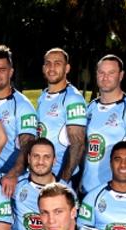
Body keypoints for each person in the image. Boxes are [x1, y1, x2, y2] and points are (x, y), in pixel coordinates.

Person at [81, 55, 126, 196]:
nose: (105, 77)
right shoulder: (90, 108)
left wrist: (123, 193)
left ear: (121, 75)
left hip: (113, 193)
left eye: (111, 73)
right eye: (101, 73)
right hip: (86, 192)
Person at [0, 45, 38, 194]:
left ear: (11, 72)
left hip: (8, 181)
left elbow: (28, 145)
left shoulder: (23, 106)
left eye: (2, 69)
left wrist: (12, 174)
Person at [36, 48, 86, 183]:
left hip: (60, 176)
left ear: (67, 68)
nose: (52, 68)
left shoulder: (73, 99)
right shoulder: (43, 96)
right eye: (48, 63)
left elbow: (78, 144)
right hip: (42, 173)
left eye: (57, 63)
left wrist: (62, 181)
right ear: (43, 68)